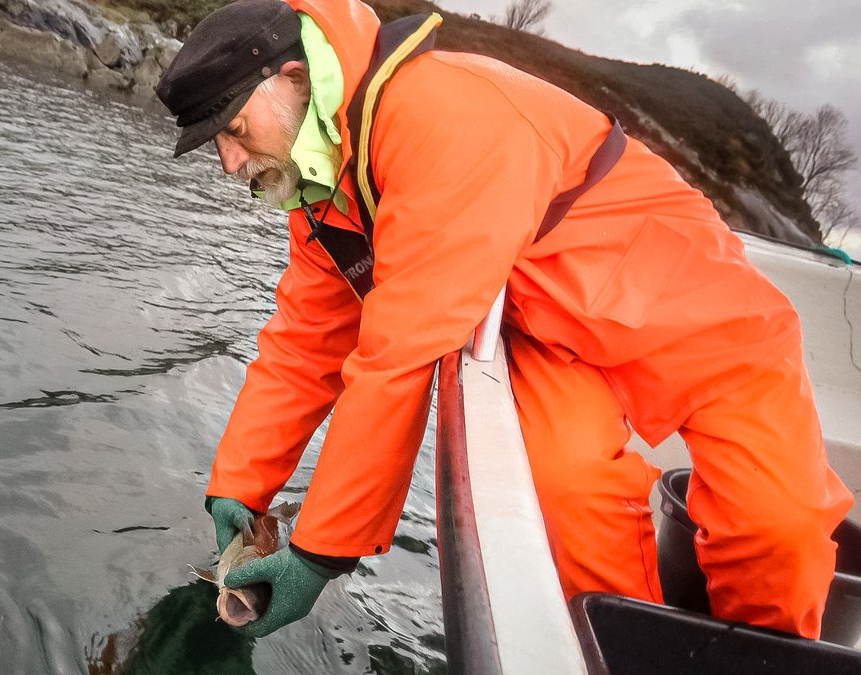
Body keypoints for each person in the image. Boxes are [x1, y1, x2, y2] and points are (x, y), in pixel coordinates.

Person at [154, 0, 854, 639]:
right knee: (571, 503)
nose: (228, 162)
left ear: (295, 78)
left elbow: (398, 356)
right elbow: (302, 348)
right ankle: (636, 658)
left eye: (234, 131)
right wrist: (240, 486)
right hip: (549, 337)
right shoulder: (324, 192)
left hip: (682, 298)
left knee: (774, 529)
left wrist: (316, 555)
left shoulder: (442, 115)